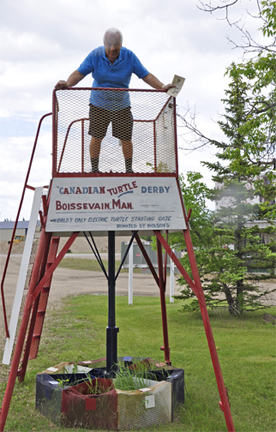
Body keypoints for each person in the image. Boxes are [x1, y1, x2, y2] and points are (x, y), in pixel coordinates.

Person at [55, 28, 174, 173]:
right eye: (109, 44)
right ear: (104, 43)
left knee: (126, 138)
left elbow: (146, 75)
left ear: (121, 44)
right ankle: (94, 170)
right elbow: (79, 73)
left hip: (121, 105)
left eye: (116, 44)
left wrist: (162, 87)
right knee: (96, 136)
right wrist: (67, 84)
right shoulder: (95, 55)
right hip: (98, 104)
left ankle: (129, 170)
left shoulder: (129, 56)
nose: (112, 48)